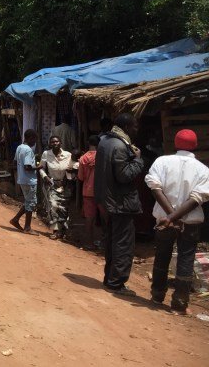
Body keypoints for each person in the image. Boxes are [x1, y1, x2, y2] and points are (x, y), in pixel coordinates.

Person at [145, 129, 209, 314]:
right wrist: (175, 218)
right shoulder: (203, 169)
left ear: (175, 144)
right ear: (195, 145)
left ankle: (157, 296)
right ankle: (179, 303)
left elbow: (154, 187)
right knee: (186, 259)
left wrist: (169, 217)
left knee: (162, 256)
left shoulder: (162, 162)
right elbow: (197, 198)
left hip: (163, 221)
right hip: (190, 223)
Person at [94, 113, 144, 296]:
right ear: (127, 127)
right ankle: (116, 283)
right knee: (123, 243)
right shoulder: (121, 145)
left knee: (112, 241)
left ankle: (110, 278)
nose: (137, 129)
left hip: (107, 200)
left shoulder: (105, 140)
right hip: (120, 202)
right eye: (135, 126)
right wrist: (138, 160)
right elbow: (124, 175)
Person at [39, 135, 74, 240]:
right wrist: (45, 177)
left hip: (65, 185)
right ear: (50, 144)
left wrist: (69, 177)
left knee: (64, 208)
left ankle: (63, 231)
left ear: (60, 143)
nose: (55, 143)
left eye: (57, 142)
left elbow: (73, 168)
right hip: (52, 184)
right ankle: (55, 230)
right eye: (52, 142)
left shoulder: (68, 155)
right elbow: (41, 168)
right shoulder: (46, 154)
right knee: (53, 206)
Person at [10, 129, 40, 234]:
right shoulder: (28, 150)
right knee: (31, 203)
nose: (35, 142)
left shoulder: (19, 147)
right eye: (35, 139)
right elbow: (27, 167)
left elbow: (14, 162)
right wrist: (38, 167)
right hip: (29, 180)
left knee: (28, 201)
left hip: (22, 179)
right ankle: (27, 227)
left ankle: (15, 219)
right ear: (30, 138)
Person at [78, 135, 105, 249]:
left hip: (88, 191)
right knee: (105, 217)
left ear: (89, 143)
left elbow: (80, 177)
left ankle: (89, 243)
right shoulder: (102, 156)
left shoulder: (83, 158)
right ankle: (105, 243)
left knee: (89, 218)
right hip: (102, 191)